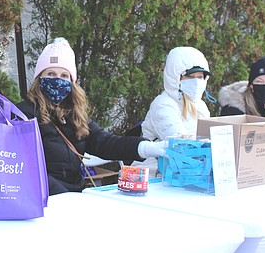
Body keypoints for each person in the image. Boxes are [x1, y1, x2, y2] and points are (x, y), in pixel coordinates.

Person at [16, 38, 166, 193]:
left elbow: (105, 143)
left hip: (76, 194)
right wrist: (65, 195)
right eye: (51, 73)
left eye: (64, 75)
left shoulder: (74, 114)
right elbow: (25, 168)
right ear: (39, 78)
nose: (57, 80)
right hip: (45, 197)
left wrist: (147, 148)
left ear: (72, 81)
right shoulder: (23, 115)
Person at [142, 46, 212, 142]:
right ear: (175, 78)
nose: (196, 82)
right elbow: (178, 141)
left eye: (199, 77)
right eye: (190, 77)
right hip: (160, 156)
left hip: (195, 156)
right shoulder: (163, 105)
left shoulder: (200, 105)